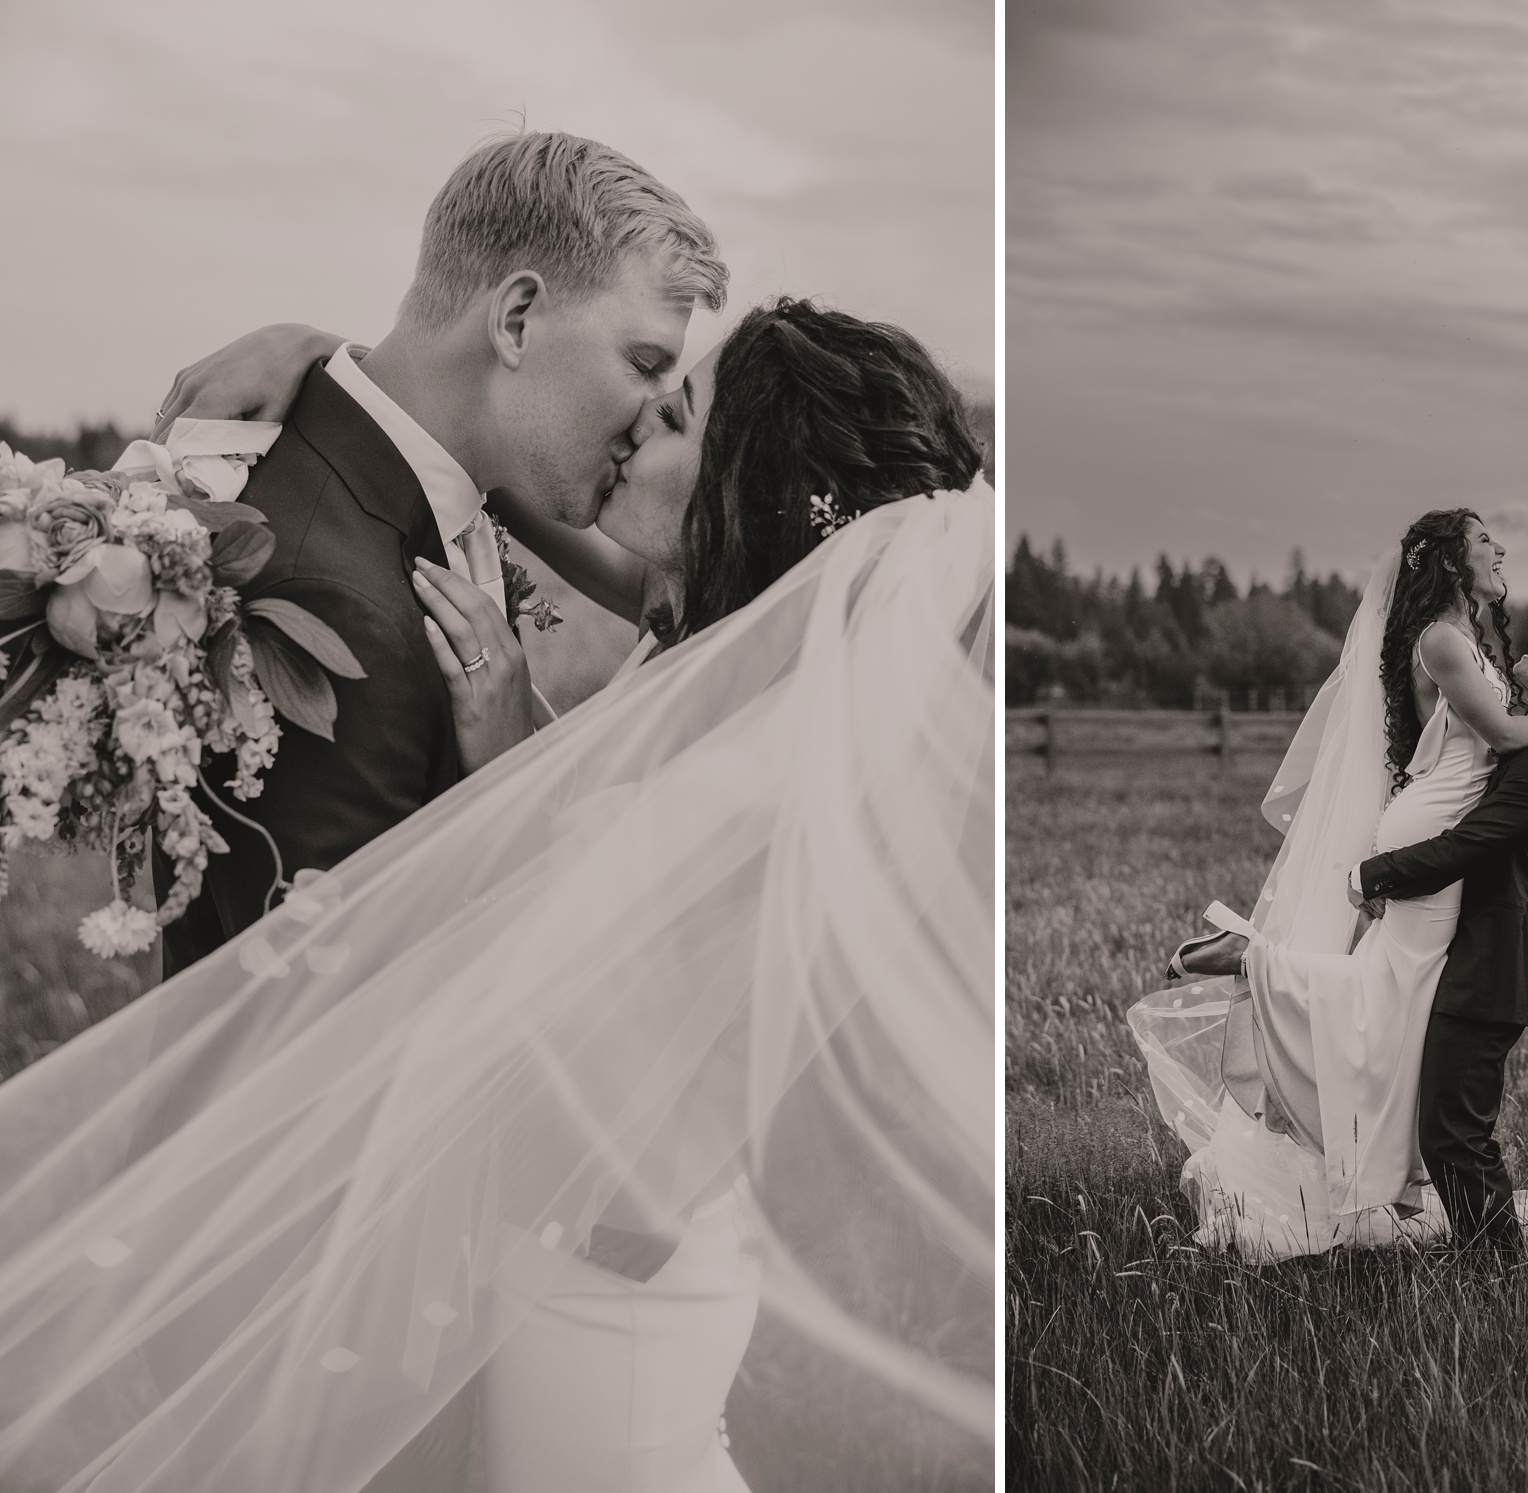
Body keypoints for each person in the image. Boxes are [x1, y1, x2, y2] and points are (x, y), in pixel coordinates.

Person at [0, 289, 993, 1490]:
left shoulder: (759, 760)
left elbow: (584, 975)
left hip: (614, 1279)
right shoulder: (730, 637)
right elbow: (503, 471)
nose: (633, 429)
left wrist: (522, 745)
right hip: (574, 1239)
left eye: (673, 415)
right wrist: (333, 356)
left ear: (750, 491)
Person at [153, 130, 727, 978]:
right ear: (517, 317)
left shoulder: (461, 486)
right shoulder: (327, 604)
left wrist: (327, 349)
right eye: (645, 365)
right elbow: (324, 1033)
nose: (650, 414)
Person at [1129, 510, 1528, 1259]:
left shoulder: (1471, 638)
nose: (1501, 549)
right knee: (1384, 994)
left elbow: (1503, 733)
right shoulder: (1444, 640)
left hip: (1433, 818)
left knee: (1400, 1001)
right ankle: (1253, 960)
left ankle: (1394, 1164)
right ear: (1450, 560)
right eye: (1486, 541)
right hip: (1430, 828)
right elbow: (1511, 737)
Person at [1353, 602, 1528, 1262]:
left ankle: (1496, 1275)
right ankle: (1492, 1261)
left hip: (1492, 965)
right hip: (1478, 954)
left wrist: (1374, 874)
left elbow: (1469, 845)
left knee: (1454, 1132)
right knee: (1451, 1126)